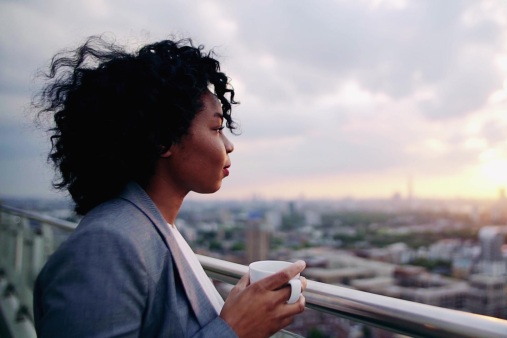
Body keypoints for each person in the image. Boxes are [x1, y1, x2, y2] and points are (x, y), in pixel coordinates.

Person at [33, 35, 307, 338]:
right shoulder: (107, 243)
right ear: (164, 139)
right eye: (216, 128)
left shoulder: (157, 229)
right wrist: (233, 330)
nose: (229, 146)